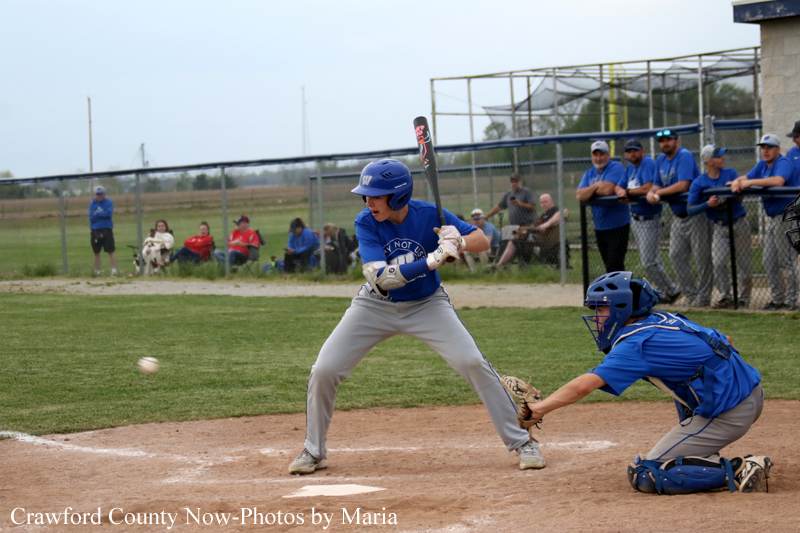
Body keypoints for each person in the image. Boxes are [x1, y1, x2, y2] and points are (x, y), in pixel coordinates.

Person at [289, 159, 543, 475]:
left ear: (397, 197)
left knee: (472, 362)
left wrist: (459, 240)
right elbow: (381, 278)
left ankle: (522, 442)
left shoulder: (428, 214)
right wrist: (435, 259)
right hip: (375, 306)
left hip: (427, 305)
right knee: (324, 369)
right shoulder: (366, 221)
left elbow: (484, 241)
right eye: (365, 195)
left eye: (375, 195)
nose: (368, 202)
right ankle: (314, 451)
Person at [510, 271, 770, 495]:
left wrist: (538, 409)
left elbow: (584, 385)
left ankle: (740, 469)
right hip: (750, 393)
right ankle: (701, 451)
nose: (598, 317)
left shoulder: (636, 343)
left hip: (730, 412)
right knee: (679, 381)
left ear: (621, 308)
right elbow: (725, 340)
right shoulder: (661, 319)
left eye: (602, 308)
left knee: (648, 472)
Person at [730, 134, 799, 311]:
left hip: (786, 217)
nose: (765, 150)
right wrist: (738, 181)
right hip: (773, 218)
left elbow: (778, 181)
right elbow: (746, 177)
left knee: (786, 261)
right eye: (763, 147)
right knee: (768, 260)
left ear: (777, 149)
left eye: (769, 147)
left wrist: (748, 182)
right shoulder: (762, 164)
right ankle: (778, 299)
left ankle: (791, 302)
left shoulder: (783, 162)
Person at [647, 129, 711, 307]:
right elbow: (656, 185)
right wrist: (650, 194)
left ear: (677, 141)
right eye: (662, 141)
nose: (665, 143)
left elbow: (683, 185)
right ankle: (691, 294)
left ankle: (704, 298)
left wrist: (658, 193)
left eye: (669, 140)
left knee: (701, 257)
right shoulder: (660, 160)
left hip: (697, 213)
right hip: (679, 216)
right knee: (676, 255)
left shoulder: (684, 156)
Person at [616, 139, 680, 303]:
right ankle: (667, 291)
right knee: (654, 259)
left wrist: (628, 192)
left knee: (649, 262)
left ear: (642, 152)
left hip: (650, 218)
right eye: (629, 151)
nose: (632, 154)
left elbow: (648, 187)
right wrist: (623, 192)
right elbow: (618, 186)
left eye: (635, 150)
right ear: (626, 154)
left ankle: (672, 290)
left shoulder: (648, 163)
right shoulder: (630, 167)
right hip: (637, 219)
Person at [688, 146, 752, 309]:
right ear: (709, 161)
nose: (723, 158)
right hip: (720, 226)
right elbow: (690, 209)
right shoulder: (699, 182)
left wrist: (736, 189)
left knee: (744, 264)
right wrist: (706, 204)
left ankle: (744, 299)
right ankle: (726, 297)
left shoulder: (730, 173)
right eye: (718, 156)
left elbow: (740, 198)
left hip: (739, 222)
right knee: (719, 262)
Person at [576, 140, 630, 272]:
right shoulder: (589, 173)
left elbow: (607, 190)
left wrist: (590, 191)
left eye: (602, 154)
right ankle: (627, 290)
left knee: (614, 264)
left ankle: (623, 291)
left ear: (608, 155)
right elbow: (579, 195)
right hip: (600, 227)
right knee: (610, 266)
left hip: (618, 225)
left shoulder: (615, 167)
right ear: (592, 156)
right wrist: (595, 186)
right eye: (595, 155)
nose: (599, 158)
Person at [483, 173, 537, 264]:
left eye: (516, 181)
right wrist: (487, 216)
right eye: (512, 181)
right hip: (514, 226)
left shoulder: (526, 192)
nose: (514, 183)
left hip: (525, 225)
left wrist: (520, 204)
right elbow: (499, 207)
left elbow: (533, 206)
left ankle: (521, 263)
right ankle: (504, 265)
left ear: (520, 182)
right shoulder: (508, 194)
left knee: (520, 245)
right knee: (507, 244)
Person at [88, 185, 117, 276]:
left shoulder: (108, 203)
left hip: (106, 229)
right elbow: (91, 217)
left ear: (104, 194)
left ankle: (114, 270)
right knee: (96, 251)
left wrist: (97, 214)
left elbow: (108, 214)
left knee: (110, 251)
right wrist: (100, 215)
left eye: (100, 194)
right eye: (97, 194)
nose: (99, 196)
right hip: (95, 229)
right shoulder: (92, 204)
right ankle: (97, 271)